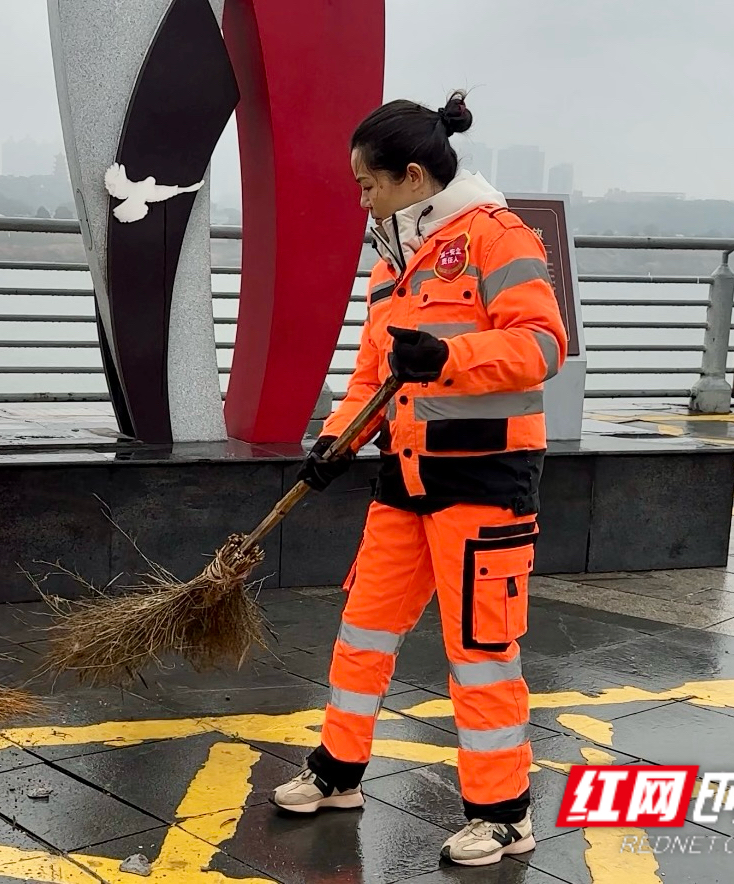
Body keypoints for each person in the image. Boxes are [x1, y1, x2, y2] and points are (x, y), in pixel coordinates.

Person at [271, 91, 568, 867]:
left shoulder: (499, 238)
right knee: (363, 633)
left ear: (410, 175)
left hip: (486, 478)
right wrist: (333, 442)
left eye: (367, 184)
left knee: (479, 653)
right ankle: (338, 772)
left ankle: (504, 814)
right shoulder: (391, 259)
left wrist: (450, 360)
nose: (360, 198)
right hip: (403, 477)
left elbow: (543, 347)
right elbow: (372, 374)